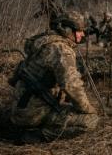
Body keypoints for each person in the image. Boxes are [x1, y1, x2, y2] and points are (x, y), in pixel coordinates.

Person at [9, 11, 99, 141]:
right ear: (68, 30)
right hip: (32, 114)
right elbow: (72, 86)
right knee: (90, 120)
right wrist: (89, 110)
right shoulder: (61, 49)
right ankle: (37, 136)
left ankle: (27, 125)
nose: (82, 34)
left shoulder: (44, 43)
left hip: (20, 108)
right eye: (79, 30)